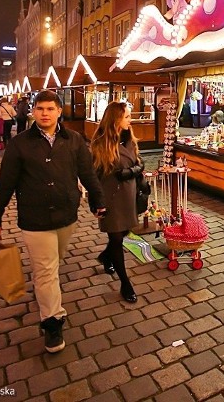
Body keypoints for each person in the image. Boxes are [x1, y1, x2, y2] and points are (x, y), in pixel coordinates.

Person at [0, 90, 106, 354]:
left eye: (50, 109)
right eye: (40, 108)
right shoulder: (20, 144)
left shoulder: (73, 140)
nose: (45, 113)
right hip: (34, 218)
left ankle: (46, 293)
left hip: (66, 215)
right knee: (46, 271)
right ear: (33, 111)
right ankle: (52, 320)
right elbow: (5, 184)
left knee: (54, 263)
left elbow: (87, 173)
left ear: (59, 111)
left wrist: (98, 200)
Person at [89, 101, 145, 305]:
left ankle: (105, 256)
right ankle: (125, 283)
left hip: (128, 195)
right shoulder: (100, 143)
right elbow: (92, 177)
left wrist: (133, 171)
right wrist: (95, 203)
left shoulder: (129, 139)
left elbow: (139, 162)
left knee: (124, 233)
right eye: (127, 117)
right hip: (110, 197)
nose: (130, 120)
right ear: (116, 120)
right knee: (117, 239)